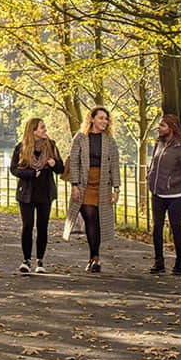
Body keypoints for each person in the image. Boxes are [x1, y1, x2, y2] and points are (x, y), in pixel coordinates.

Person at [66, 106, 121, 273]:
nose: (104, 121)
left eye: (106, 119)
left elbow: (115, 165)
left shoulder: (109, 141)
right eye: (101, 118)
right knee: (89, 217)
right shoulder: (80, 138)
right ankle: (94, 257)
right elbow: (74, 162)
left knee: (97, 220)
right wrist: (74, 184)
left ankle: (94, 257)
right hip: (84, 184)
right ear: (92, 119)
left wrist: (116, 189)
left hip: (102, 185)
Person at [146, 114, 181, 275]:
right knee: (157, 228)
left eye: (162, 126)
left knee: (176, 227)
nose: (159, 128)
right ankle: (159, 262)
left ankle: (180, 263)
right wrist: (149, 174)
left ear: (171, 128)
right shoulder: (159, 143)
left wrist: (170, 182)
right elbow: (154, 163)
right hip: (157, 193)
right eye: (159, 125)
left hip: (175, 195)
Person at [10, 118, 64, 274]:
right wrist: (31, 173)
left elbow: (61, 169)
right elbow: (14, 169)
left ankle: (40, 260)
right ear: (33, 130)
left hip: (45, 192)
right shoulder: (21, 148)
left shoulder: (51, 146)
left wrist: (55, 164)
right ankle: (26, 260)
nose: (44, 130)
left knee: (42, 227)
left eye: (44, 127)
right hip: (26, 192)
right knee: (27, 226)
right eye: (42, 128)